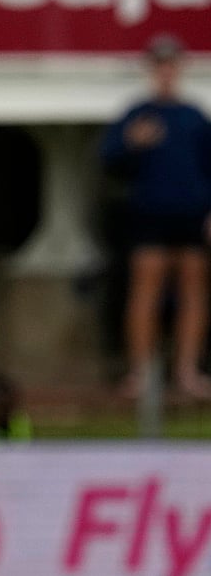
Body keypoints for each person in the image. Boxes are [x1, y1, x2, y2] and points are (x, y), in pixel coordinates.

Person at [100, 34, 211, 400]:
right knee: (145, 292)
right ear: (152, 70)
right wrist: (132, 143)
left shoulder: (194, 117)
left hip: (191, 215)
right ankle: (142, 372)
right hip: (149, 216)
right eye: (160, 65)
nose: (166, 72)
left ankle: (187, 371)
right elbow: (109, 162)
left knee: (193, 293)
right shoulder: (137, 115)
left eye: (171, 65)